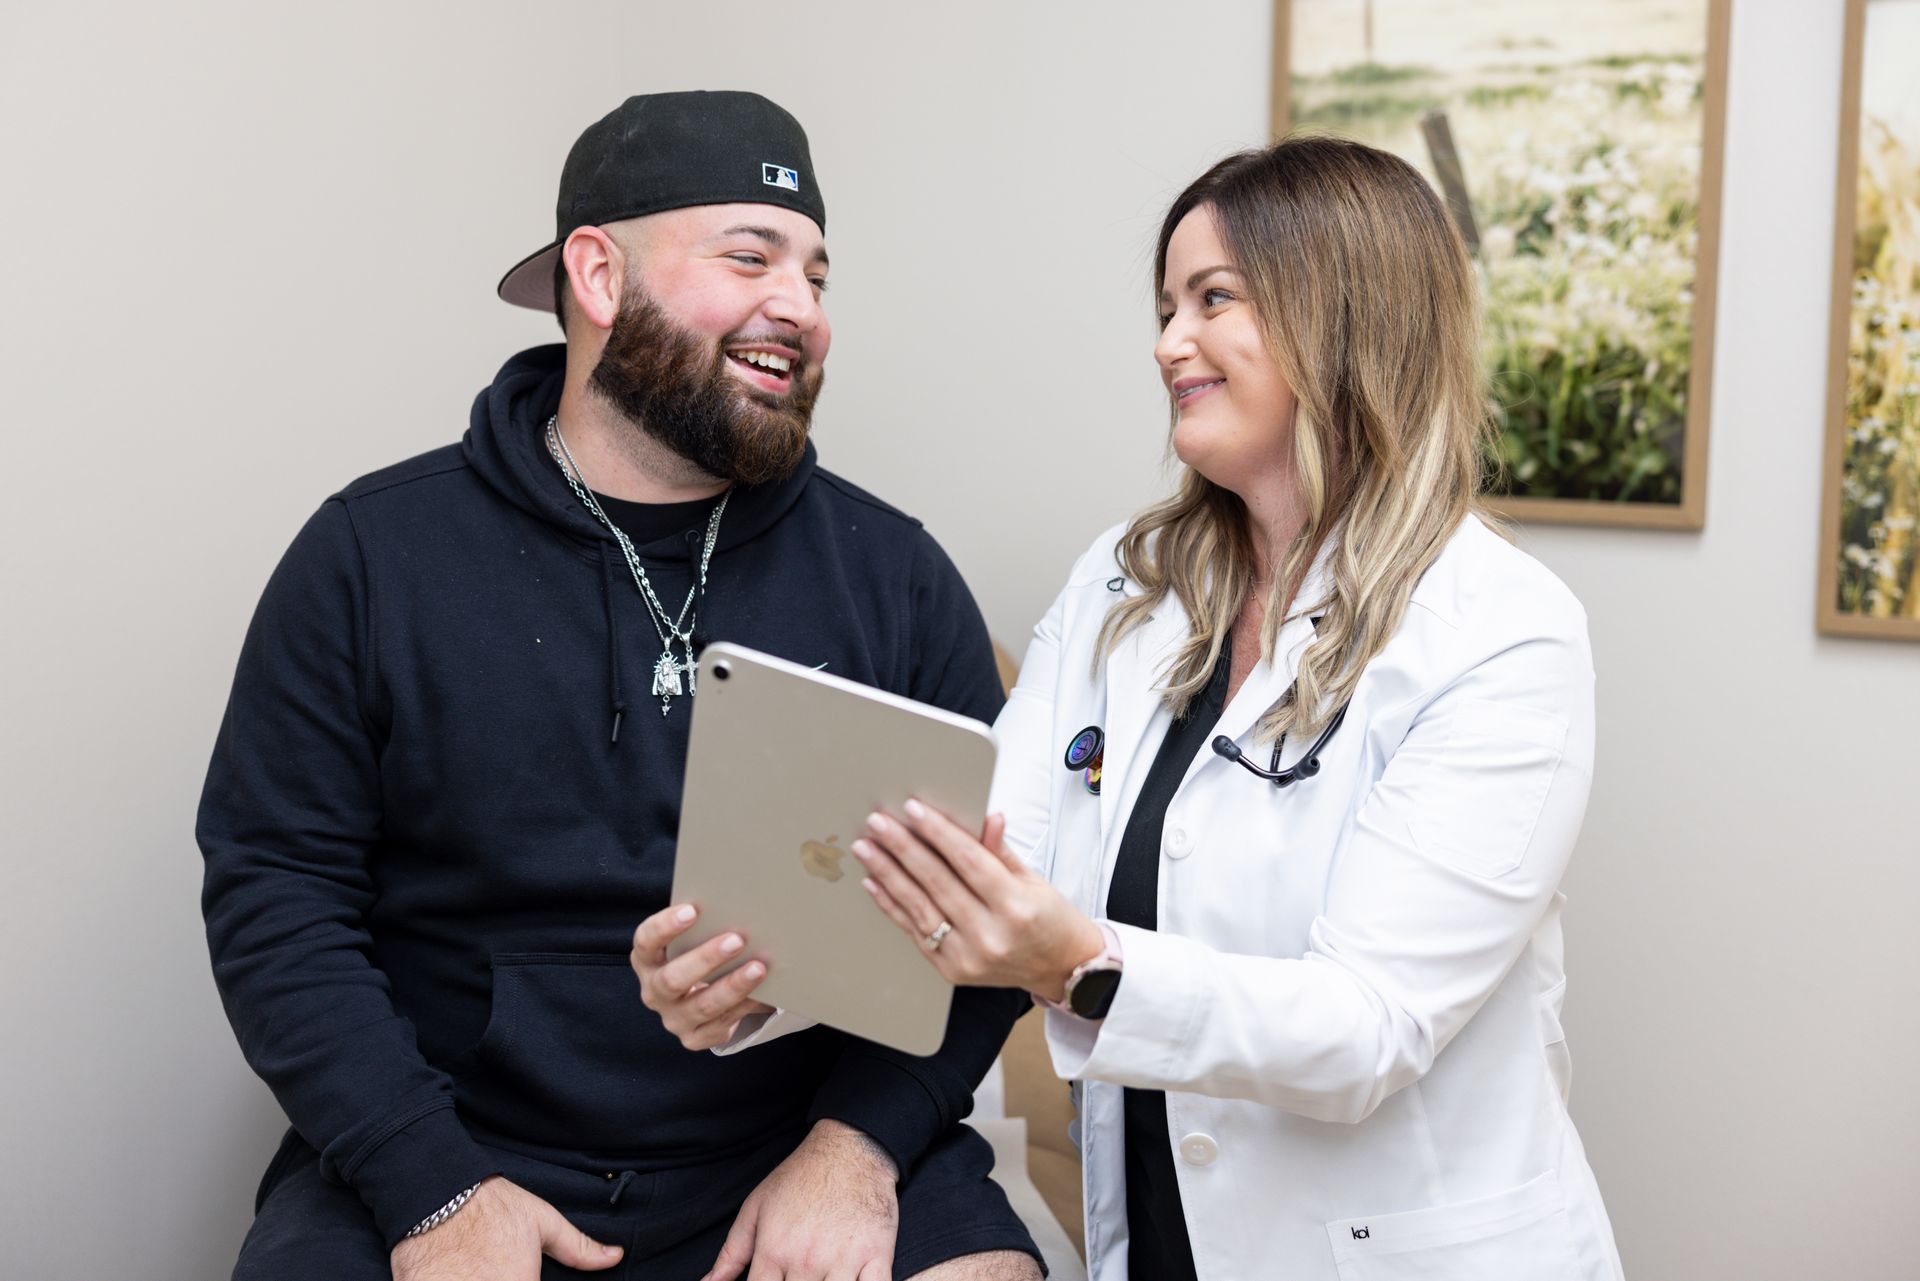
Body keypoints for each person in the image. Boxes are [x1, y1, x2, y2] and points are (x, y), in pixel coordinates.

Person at [198, 90, 1041, 1281]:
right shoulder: (372, 554)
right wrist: (431, 1187)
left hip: (790, 1143)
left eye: (816, 274)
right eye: (751, 257)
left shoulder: (891, 575)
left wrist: (858, 1148)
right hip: (452, 1147)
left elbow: (995, 907)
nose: (798, 307)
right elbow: (276, 900)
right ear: (597, 276)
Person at [847, 137, 1626, 1279]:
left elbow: (1369, 1026)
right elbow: (986, 854)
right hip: (1164, 1238)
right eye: (1166, 306)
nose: (1168, 344)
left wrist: (1085, 965)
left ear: (1344, 316)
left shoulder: (1501, 629)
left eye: (1214, 299)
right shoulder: (1124, 580)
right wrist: (760, 963)